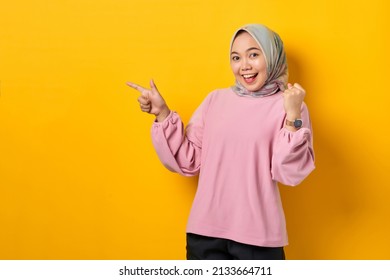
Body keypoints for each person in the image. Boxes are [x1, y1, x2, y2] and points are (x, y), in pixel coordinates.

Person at [127, 24, 315, 260]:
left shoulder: (290, 106)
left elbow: (288, 172)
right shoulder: (216, 100)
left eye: (254, 55)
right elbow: (189, 161)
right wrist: (162, 114)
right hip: (205, 235)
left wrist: (293, 118)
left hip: (259, 239)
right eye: (236, 57)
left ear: (273, 55)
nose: (244, 66)